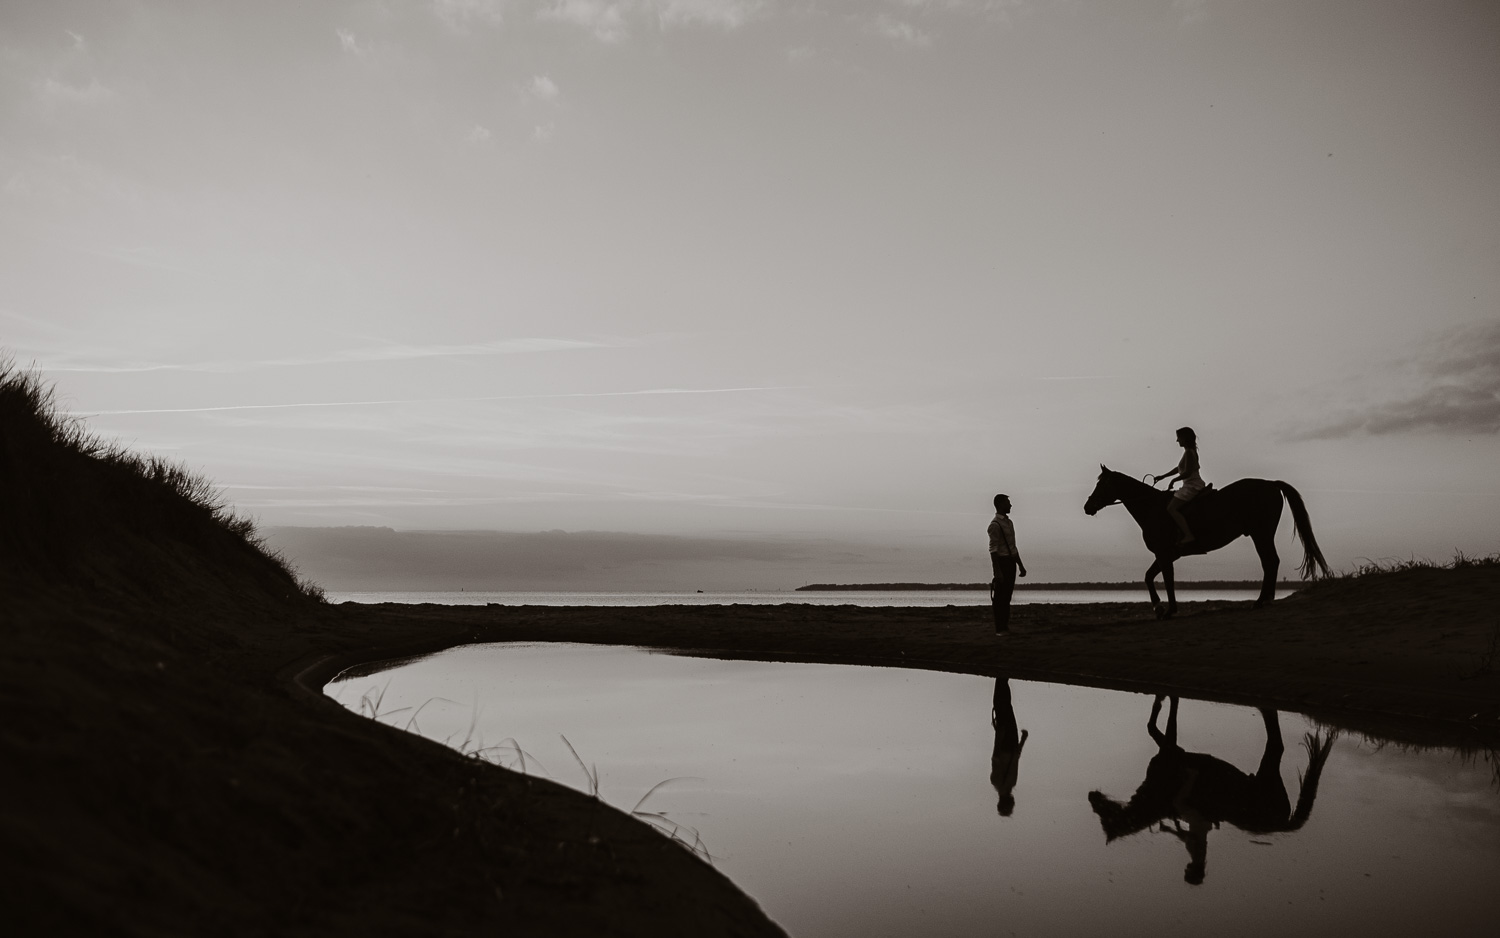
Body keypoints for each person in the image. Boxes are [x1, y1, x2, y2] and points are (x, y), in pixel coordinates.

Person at [1156, 427, 1204, 545]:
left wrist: (1173, 481)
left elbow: (1187, 472)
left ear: (1184, 438)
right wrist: (1163, 476)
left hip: (1191, 486)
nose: (1177, 440)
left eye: (1179, 437)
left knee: (1171, 508)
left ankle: (1188, 535)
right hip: (1190, 484)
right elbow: (1179, 468)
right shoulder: (1190, 451)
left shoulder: (1188, 452)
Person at [987, 494, 1027, 633]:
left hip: (1010, 562)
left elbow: (1013, 548)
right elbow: (993, 550)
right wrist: (997, 571)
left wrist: (1020, 565)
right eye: (1008, 503)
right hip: (1002, 562)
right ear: (1000, 505)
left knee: (1007, 596)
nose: (1010, 505)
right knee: (1000, 598)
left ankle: (1005, 626)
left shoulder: (1009, 523)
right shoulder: (995, 525)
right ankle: (999, 628)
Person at [990, 677, 1029, 817]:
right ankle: (1001, 679)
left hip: (1008, 743)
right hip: (1007, 743)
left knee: (1004, 707)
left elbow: (999, 758)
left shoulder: (1008, 782)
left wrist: (1022, 740)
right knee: (1003, 707)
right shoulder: (998, 782)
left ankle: (1002, 679)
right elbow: (998, 758)